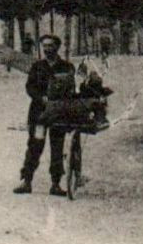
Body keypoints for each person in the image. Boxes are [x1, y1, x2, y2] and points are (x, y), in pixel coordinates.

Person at [38, 58, 112, 196]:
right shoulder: (85, 82)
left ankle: (56, 183)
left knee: (56, 149)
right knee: (73, 142)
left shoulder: (54, 80)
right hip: (75, 116)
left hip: (56, 116)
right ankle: (74, 175)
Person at [14, 35, 75, 195]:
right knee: (35, 145)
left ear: (57, 47)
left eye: (50, 45)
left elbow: (71, 89)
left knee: (57, 147)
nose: (47, 49)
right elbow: (30, 87)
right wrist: (41, 97)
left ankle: (56, 184)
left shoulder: (66, 67)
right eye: (44, 46)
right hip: (39, 115)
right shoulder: (37, 66)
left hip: (58, 114)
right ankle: (26, 181)